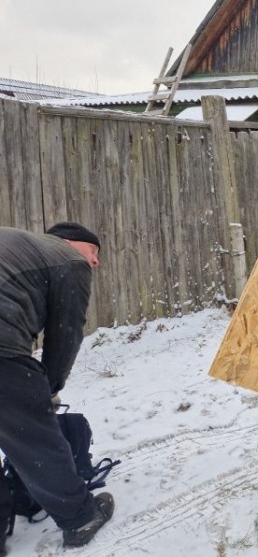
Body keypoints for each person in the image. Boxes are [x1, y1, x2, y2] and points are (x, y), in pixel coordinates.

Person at [0, 222, 114, 553]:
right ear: (68, 242)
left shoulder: (17, 248)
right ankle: (80, 518)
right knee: (36, 440)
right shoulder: (66, 257)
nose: (95, 262)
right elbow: (65, 334)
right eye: (93, 252)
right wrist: (47, 389)